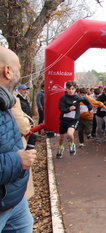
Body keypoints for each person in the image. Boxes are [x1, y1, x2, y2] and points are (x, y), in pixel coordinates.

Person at [0, 46, 37, 232]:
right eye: (19, 68)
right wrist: (18, 160)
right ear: (8, 71)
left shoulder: (4, 101)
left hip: (13, 200)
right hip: (3, 203)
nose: (19, 73)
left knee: (25, 224)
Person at [56, 81, 93, 158]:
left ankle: (72, 144)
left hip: (73, 119)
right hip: (64, 119)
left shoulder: (78, 97)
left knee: (69, 134)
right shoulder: (63, 97)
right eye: (69, 89)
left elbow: (86, 100)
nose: (71, 90)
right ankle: (60, 147)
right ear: (66, 89)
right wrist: (69, 109)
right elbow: (61, 108)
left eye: (72, 89)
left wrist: (90, 108)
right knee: (62, 137)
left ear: (75, 89)